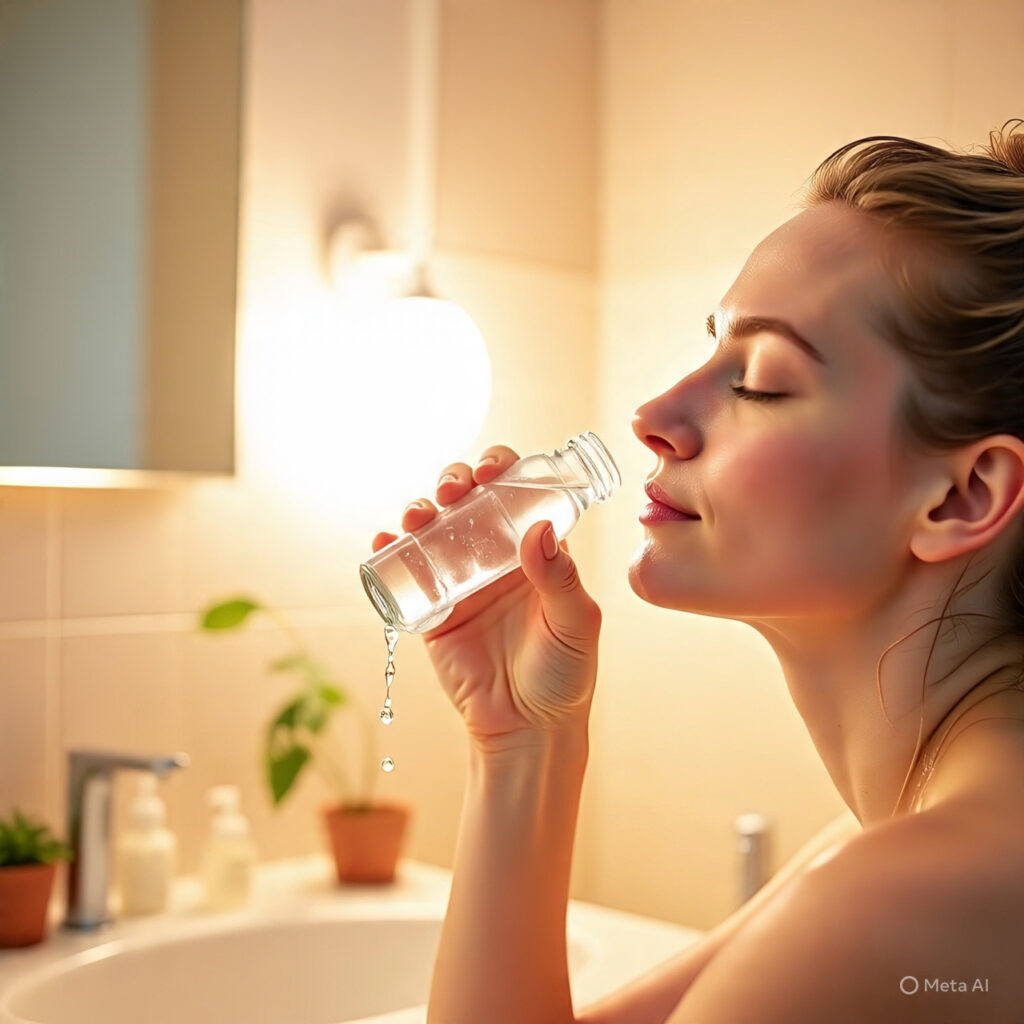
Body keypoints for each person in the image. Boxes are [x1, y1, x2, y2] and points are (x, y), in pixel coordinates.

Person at [371, 121, 1024, 1023]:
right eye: (712, 348)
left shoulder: (899, 900)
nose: (653, 415)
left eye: (757, 378)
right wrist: (525, 741)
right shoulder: (909, 846)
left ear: (963, 497)